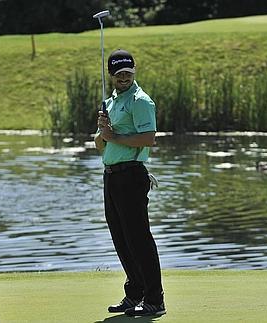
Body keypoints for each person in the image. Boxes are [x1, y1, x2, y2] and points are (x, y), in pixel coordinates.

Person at [95, 49, 166, 317]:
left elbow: (149, 138)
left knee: (138, 238)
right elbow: (99, 144)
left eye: (128, 73)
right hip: (111, 175)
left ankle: (154, 299)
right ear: (112, 75)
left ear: (133, 72)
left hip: (131, 175)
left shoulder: (140, 101)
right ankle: (134, 292)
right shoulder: (111, 102)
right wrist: (103, 132)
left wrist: (114, 137)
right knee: (121, 239)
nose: (123, 77)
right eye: (119, 73)